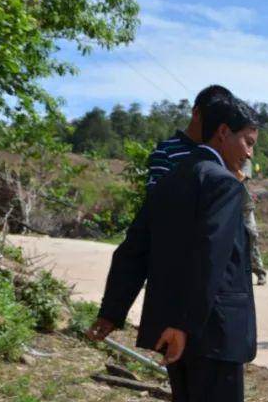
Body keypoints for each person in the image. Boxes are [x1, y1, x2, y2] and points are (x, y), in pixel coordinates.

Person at [132, 96, 260, 402]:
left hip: (179, 328)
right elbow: (209, 259)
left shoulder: (170, 181)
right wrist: (186, 324)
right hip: (212, 329)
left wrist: (113, 312)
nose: (249, 153)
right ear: (222, 134)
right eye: (247, 142)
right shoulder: (223, 184)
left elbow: (135, 248)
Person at [87, 84, 234, 341]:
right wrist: (113, 308)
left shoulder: (223, 157)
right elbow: (156, 220)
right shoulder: (168, 153)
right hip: (178, 274)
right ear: (196, 113)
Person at [238, 159, 268, 285]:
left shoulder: (244, 159)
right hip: (227, 205)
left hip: (245, 206)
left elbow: (242, 177)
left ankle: (259, 271)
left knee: (252, 237)